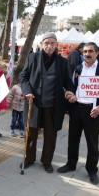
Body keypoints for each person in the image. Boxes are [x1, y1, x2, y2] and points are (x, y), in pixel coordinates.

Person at [57, 42, 99, 185]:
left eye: (90, 51)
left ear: (97, 53)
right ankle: (71, 164)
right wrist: (72, 95)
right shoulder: (78, 69)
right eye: (85, 52)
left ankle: (92, 170)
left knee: (92, 142)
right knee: (73, 139)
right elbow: (75, 88)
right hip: (77, 109)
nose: (87, 54)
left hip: (93, 111)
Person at [19, 32, 75, 173]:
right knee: (31, 132)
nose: (49, 46)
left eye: (52, 43)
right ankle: (28, 159)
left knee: (51, 135)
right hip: (35, 103)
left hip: (54, 105)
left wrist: (69, 90)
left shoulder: (62, 62)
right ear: (41, 44)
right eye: (46, 43)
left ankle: (47, 161)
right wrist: (27, 92)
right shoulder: (32, 58)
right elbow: (23, 76)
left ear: (56, 45)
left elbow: (68, 81)